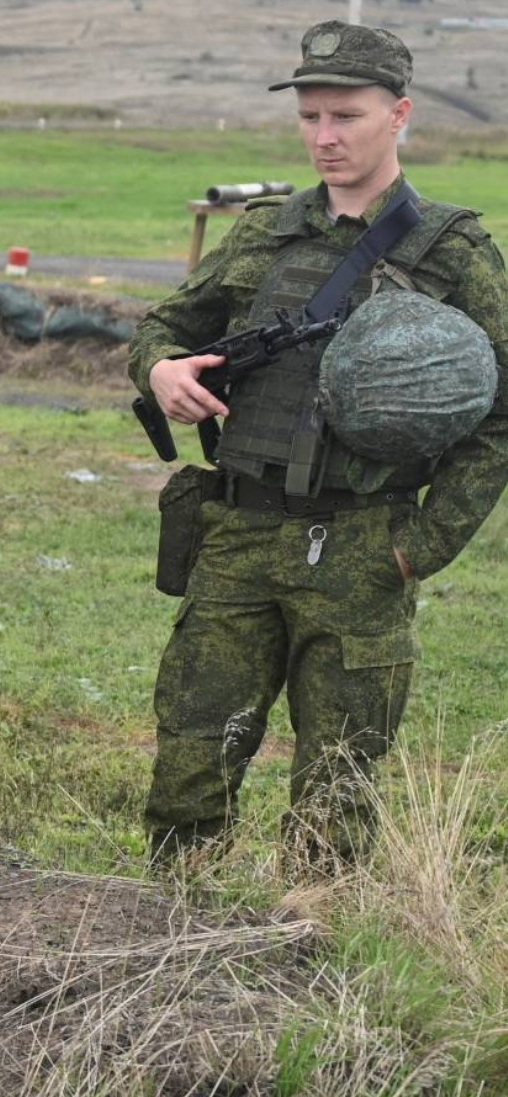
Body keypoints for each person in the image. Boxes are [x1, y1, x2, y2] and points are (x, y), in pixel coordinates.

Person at [132, 21, 508, 869]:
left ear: (399, 114)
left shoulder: (454, 252)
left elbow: (501, 411)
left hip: (363, 546)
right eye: (310, 118)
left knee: (339, 780)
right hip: (236, 535)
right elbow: (164, 325)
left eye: (346, 115)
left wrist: (422, 545)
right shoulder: (266, 231)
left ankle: (321, 950)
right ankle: (176, 931)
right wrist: (159, 370)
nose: (325, 137)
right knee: (192, 755)